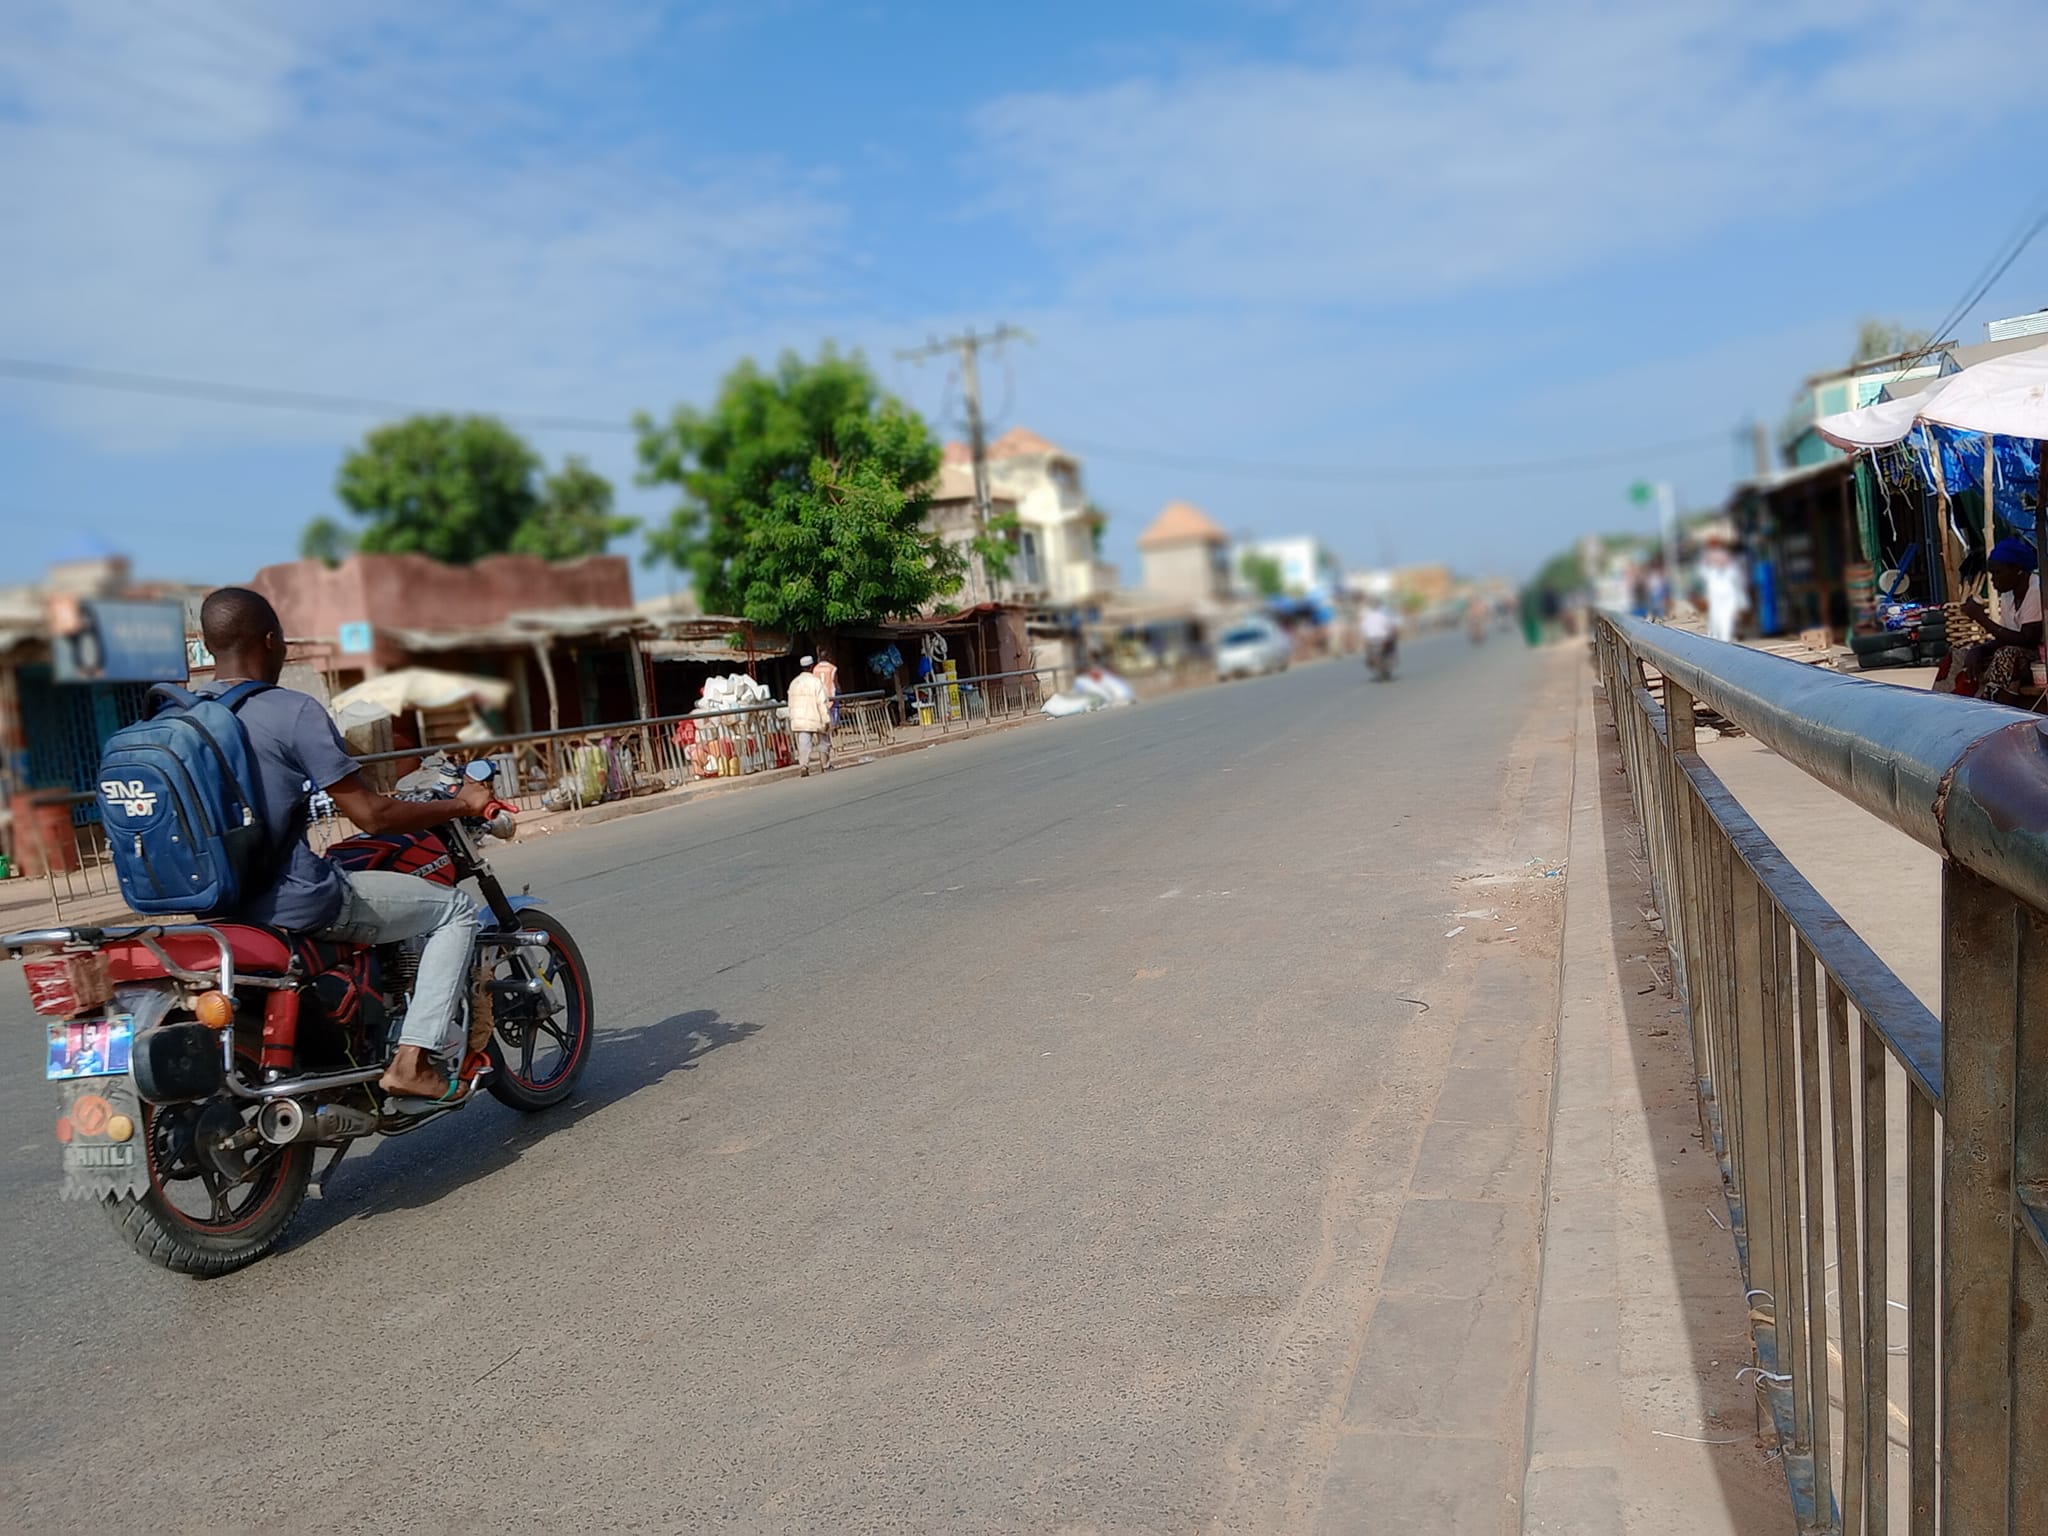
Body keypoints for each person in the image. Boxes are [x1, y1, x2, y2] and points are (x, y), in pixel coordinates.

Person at [195, 589, 493, 1104]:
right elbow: (373, 815)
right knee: (458, 912)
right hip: (292, 900)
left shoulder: (178, 718)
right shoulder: (289, 711)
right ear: (272, 642)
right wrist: (460, 805)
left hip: (214, 907)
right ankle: (412, 1059)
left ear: (207, 644)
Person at [1956, 537, 2043, 704]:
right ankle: (1957, 702)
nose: (1993, 579)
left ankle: (1996, 707)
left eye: (1997, 573)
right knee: (1959, 653)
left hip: (2039, 659)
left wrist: (1981, 618)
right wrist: (1978, 650)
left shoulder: (2036, 591)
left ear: (2017, 569)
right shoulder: (2008, 594)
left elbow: (2028, 640)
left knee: (2007, 654)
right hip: (2022, 655)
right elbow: (2004, 637)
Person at [787, 655, 833, 776]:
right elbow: (822, 702)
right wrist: (826, 719)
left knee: (804, 744)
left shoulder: (794, 683)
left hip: (800, 718)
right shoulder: (816, 682)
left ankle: (804, 766)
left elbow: (790, 702)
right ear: (812, 667)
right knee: (823, 742)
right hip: (815, 716)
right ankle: (825, 765)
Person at [1701, 538, 1748, 643]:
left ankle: (1725, 641)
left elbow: (1738, 583)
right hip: (1717, 599)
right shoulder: (1710, 571)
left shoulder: (1731, 569)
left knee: (1726, 624)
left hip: (1728, 598)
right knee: (1717, 622)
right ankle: (1720, 641)